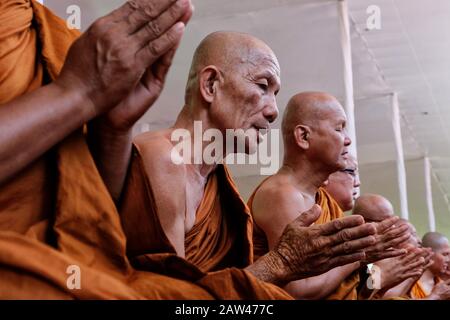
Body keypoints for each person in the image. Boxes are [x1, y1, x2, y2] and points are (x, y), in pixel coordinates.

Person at [120, 32, 381, 292]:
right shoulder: (165, 159)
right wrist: (280, 263)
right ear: (211, 84)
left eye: (275, 93)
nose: (273, 111)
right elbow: (173, 299)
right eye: (262, 86)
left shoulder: (217, 182)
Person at [248, 92, 408, 299]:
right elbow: (298, 290)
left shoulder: (319, 201)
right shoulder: (283, 194)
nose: (348, 140)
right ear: (304, 137)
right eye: (339, 128)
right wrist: (360, 256)